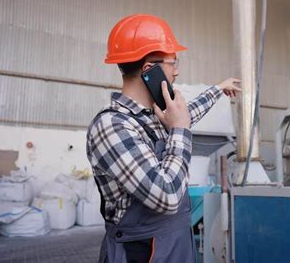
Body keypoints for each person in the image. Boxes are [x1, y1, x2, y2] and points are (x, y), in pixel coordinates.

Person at [86, 14, 241, 263]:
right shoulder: (112, 126)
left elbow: (186, 114)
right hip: (140, 254)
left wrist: (217, 90)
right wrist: (180, 131)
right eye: (173, 63)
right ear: (150, 69)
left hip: (173, 248)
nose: (177, 71)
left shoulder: (153, 116)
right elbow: (166, 195)